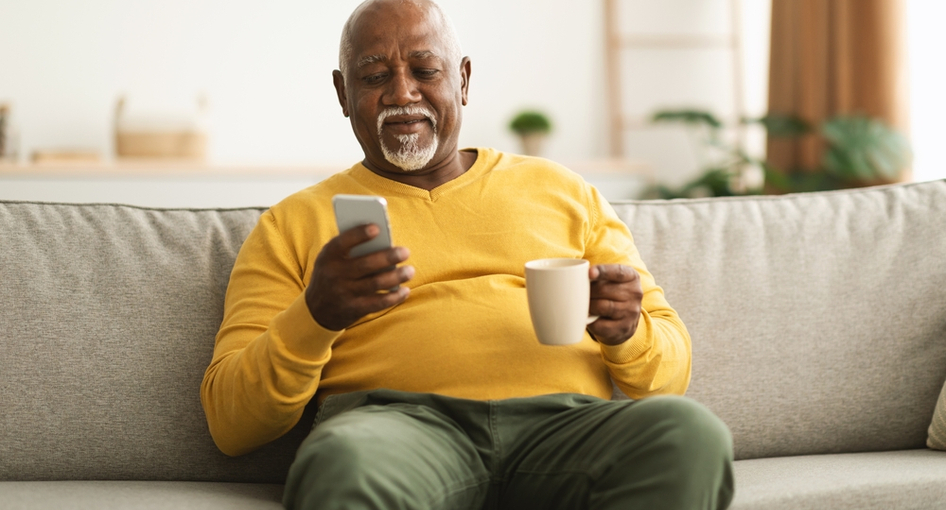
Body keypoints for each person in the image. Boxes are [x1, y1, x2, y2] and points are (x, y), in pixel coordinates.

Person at [201, 1, 735, 508]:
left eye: (425, 70)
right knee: (341, 462)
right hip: (395, 435)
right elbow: (231, 424)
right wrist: (316, 315)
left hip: (563, 429)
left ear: (463, 79)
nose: (401, 93)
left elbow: (671, 373)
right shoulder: (290, 224)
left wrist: (628, 330)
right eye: (374, 76)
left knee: (689, 434)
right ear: (343, 94)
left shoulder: (563, 191)